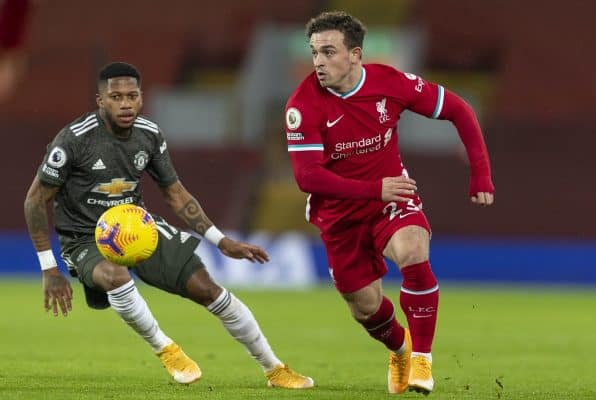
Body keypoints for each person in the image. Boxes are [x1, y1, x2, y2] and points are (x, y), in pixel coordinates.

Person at [24, 62, 314, 389]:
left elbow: (175, 194)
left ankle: (274, 369)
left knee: (209, 290)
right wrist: (49, 269)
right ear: (100, 100)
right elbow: (34, 200)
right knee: (114, 275)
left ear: (141, 97)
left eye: (132, 95)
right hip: (84, 238)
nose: (125, 103)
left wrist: (221, 241)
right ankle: (166, 349)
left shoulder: (148, 135)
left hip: (140, 228)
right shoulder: (73, 140)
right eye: (115, 97)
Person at [285, 11, 494, 395]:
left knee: (413, 250)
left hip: (392, 199)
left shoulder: (388, 82)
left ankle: (422, 361)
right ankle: (400, 349)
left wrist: (480, 173)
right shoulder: (303, 105)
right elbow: (308, 177)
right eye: (314, 52)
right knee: (365, 307)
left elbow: (457, 109)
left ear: (355, 55)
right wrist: (372, 189)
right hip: (340, 216)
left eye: (328, 52)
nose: (318, 61)